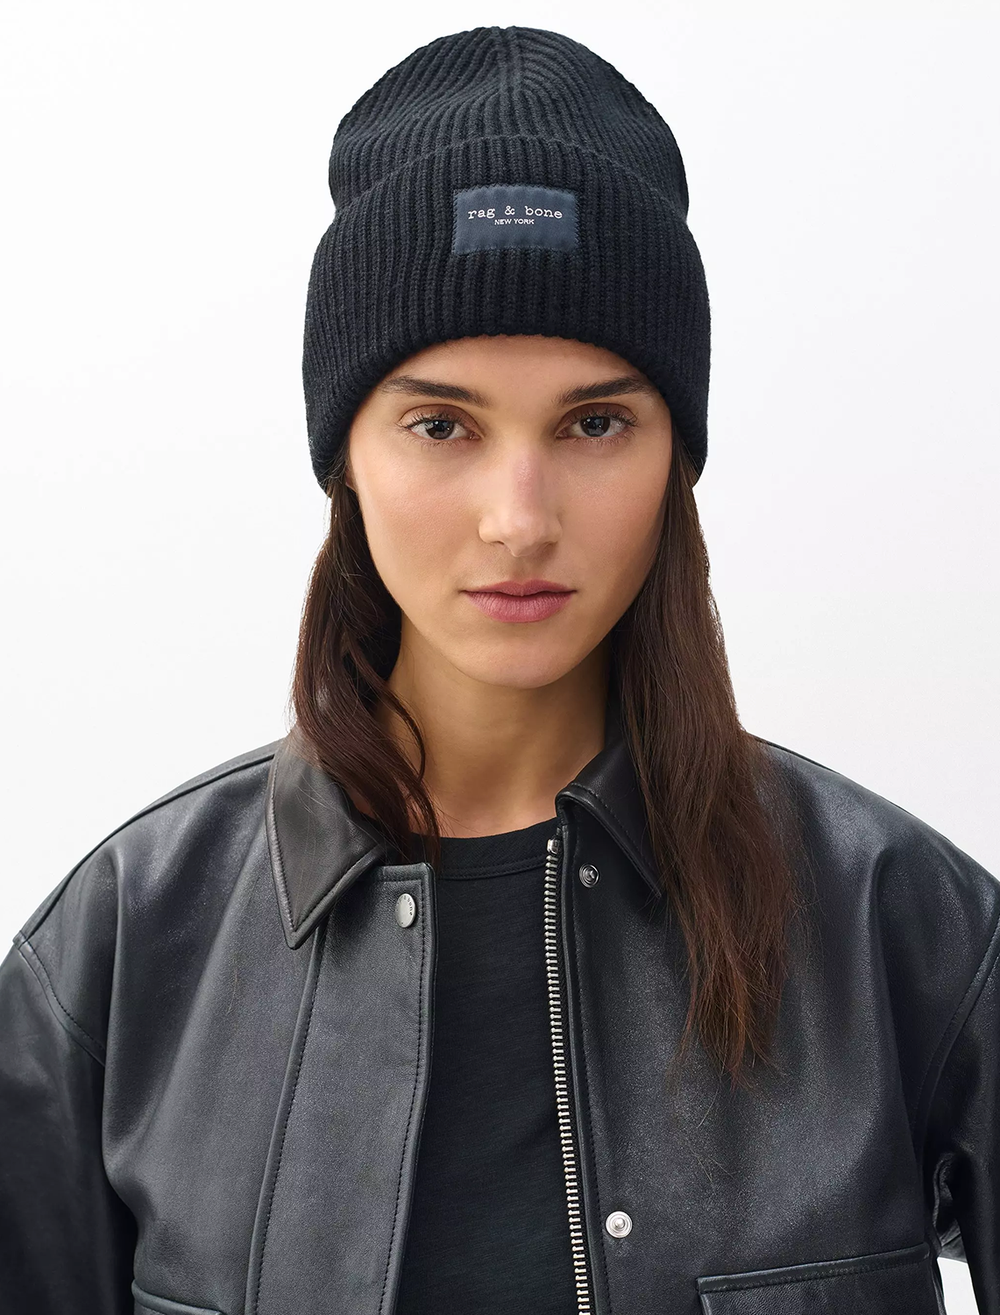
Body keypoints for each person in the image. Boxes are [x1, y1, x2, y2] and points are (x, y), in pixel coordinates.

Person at [0, 23, 996, 1315]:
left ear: (676, 459)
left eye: (596, 422)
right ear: (345, 459)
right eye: (440, 424)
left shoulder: (897, 921)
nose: (518, 518)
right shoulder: (127, 943)